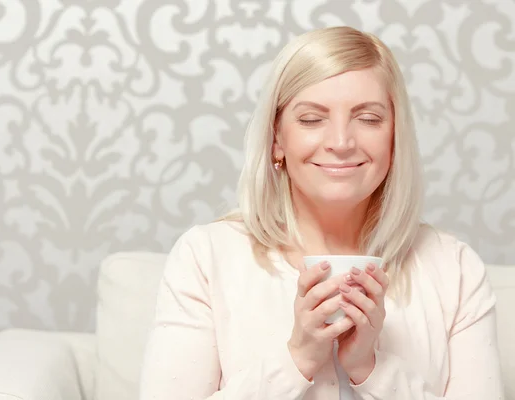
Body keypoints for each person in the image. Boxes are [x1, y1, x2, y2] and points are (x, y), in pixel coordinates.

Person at [138, 26, 504, 399]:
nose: (341, 143)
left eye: (369, 119)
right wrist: (298, 358)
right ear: (277, 139)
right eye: (312, 119)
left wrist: (371, 368)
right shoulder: (205, 258)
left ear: (395, 138)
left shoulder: (455, 269)